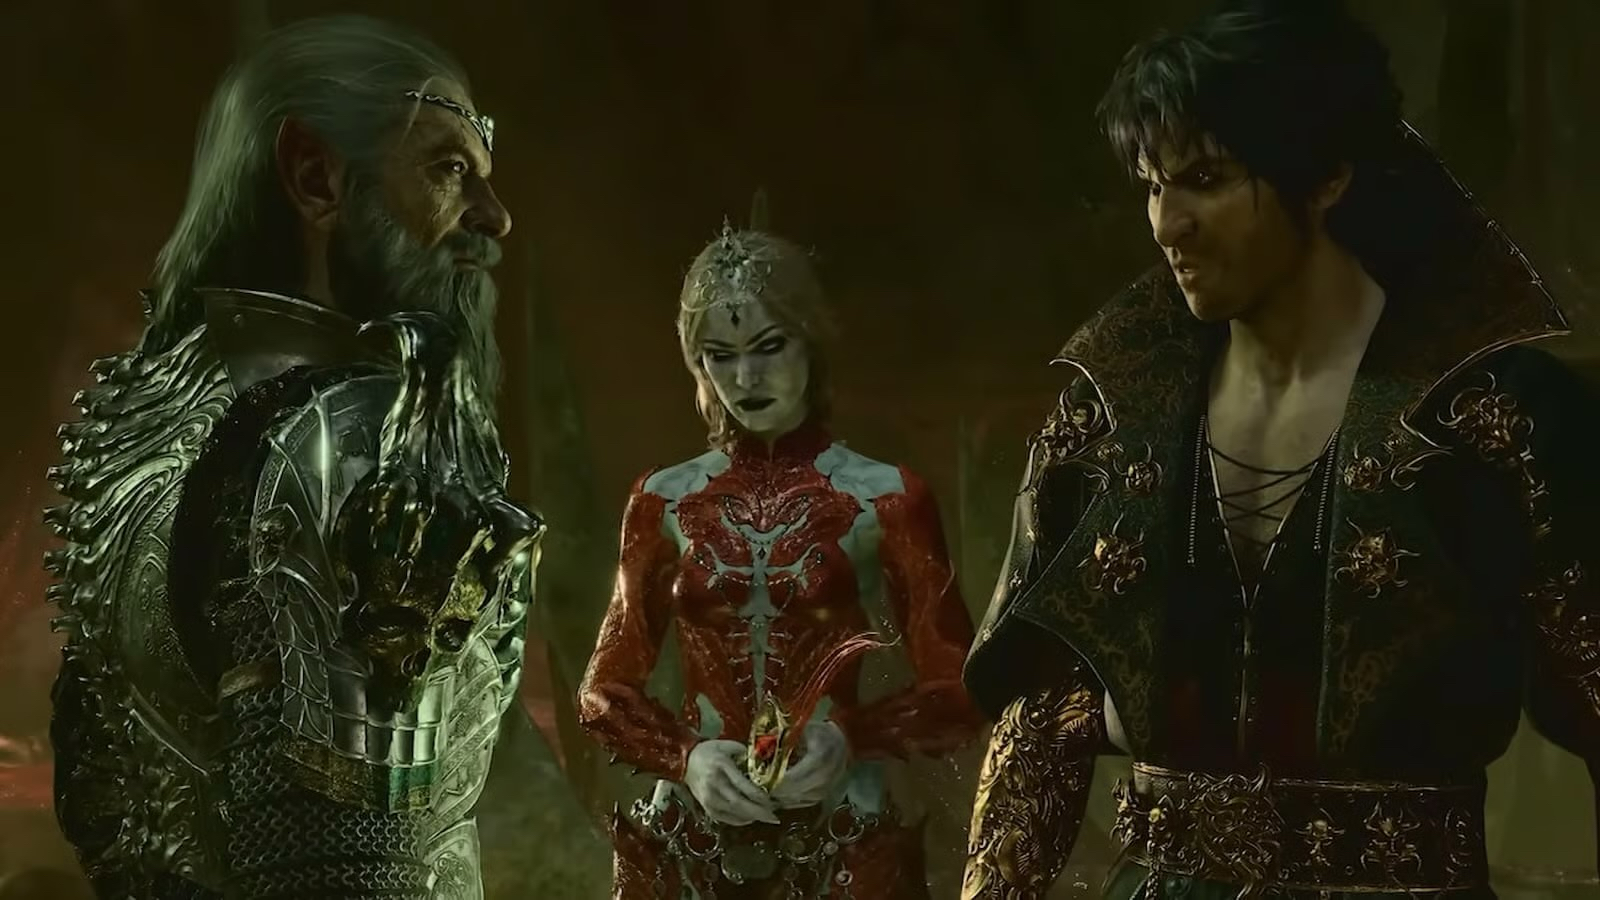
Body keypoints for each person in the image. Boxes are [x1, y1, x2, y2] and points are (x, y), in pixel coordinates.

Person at [960, 1, 1600, 898]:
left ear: (1328, 175)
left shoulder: (1496, 416)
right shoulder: (1112, 414)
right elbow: (1043, 716)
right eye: (1152, 185)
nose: (1166, 224)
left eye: (1206, 179)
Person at [45, 15, 544, 899]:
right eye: (448, 169)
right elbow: (351, 867)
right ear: (316, 176)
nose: (494, 217)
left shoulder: (157, 408)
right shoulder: (355, 442)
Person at [578, 222, 984, 898]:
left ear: (811, 341)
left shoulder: (889, 496)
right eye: (720, 355)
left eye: (770, 346)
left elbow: (962, 685)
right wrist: (686, 757)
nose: (746, 378)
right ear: (697, 364)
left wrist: (850, 737)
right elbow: (603, 691)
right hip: (692, 833)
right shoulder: (661, 500)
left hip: (843, 834)